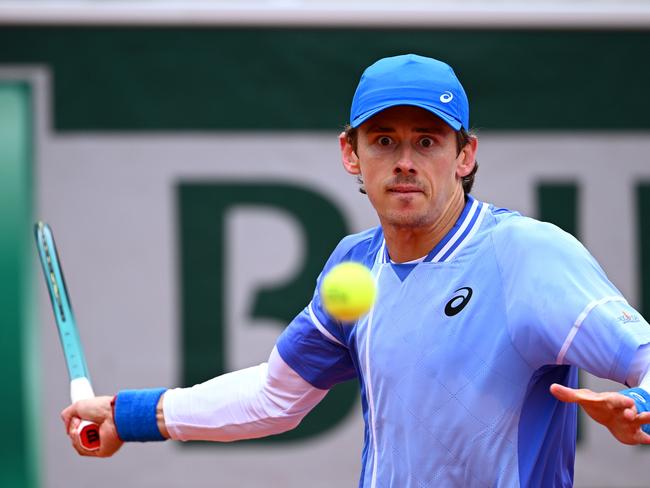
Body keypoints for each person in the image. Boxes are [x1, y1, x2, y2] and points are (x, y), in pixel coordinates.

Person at [63, 54, 650, 486]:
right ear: (351, 153)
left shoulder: (527, 254)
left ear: (464, 154)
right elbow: (274, 397)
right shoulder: (354, 265)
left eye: (427, 141)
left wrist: (642, 407)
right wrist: (128, 415)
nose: (403, 162)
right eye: (383, 140)